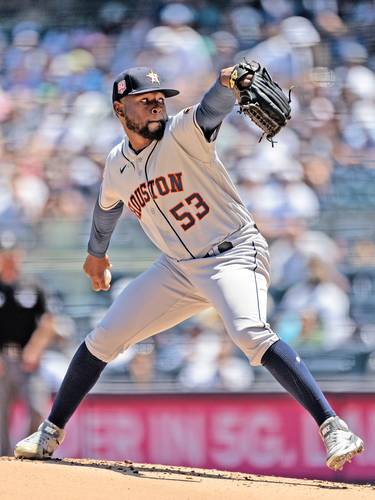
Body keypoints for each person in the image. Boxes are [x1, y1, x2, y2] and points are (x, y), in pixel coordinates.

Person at [14, 66, 363, 471]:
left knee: (250, 332)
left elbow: (210, 110)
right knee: (103, 338)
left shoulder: (183, 133)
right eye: (145, 100)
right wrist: (97, 254)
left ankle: (333, 426)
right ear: (119, 109)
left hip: (232, 254)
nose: (156, 105)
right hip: (177, 268)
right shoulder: (117, 164)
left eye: (160, 98)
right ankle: (49, 432)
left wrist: (228, 83)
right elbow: (107, 207)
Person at [0, 233, 57, 455]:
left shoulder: (32, 286)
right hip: (2, 359)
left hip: (28, 360)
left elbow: (48, 321)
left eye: (12, 254)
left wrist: (35, 349)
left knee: (37, 408)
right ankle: (3, 459)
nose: (9, 259)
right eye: (4, 255)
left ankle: (26, 451)